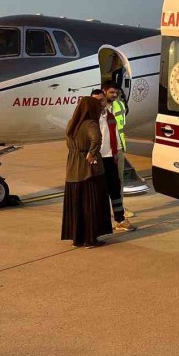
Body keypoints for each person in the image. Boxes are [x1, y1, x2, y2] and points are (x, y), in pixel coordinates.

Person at [62, 96, 113, 247]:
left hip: (72, 169)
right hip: (88, 171)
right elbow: (97, 139)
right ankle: (91, 238)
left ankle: (77, 238)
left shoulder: (72, 123)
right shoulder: (91, 124)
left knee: (76, 206)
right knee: (91, 205)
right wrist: (91, 153)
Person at [99, 84, 137, 231]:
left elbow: (120, 125)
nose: (114, 95)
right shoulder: (99, 108)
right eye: (111, 92)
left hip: (117, 148)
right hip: (102, 150)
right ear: (104, 92)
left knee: (118, 181)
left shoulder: (120, 105)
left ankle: (119, 209)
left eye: (117, 92)